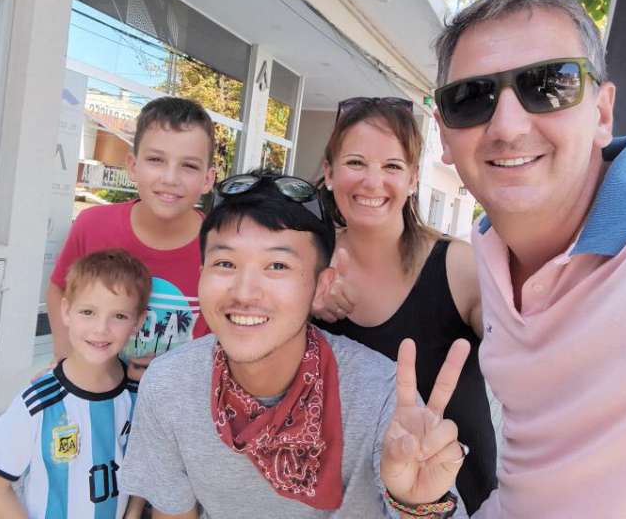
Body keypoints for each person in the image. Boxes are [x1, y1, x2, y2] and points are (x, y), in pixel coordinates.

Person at [432, 0, 626, 517]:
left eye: (549, 85)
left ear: (602, 112)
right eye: (471, 98)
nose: (506, 126)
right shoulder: (487, 249)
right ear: (444, 135)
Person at [121, 171, 471, 518]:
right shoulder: (170, 385)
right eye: (225, 263)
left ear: (321, 287)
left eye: (277, 265)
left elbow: (422, 498)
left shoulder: (379, 394)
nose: (244, 292)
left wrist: (415, 505)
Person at [313, 97, 497, 514]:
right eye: (356, 162)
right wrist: (301, 305)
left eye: (392, 166)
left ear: (413, 179)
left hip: (453, 504)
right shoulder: (305, 265)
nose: (372, 181)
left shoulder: (459, 267)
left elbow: (529, 348)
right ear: (329, 172)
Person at [0, 249, 151, 518]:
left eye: (119, 316)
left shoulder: (138, 393)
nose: (101, 328)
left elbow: (143, 461)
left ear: (138, 321)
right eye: (88, 312)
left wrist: (133, 512)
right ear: (66, 311)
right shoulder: (40, 401)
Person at [47, 96, 216, 381]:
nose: (170, 178)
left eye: (189, 165)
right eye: (156, 160)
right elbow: (59, 288)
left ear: (208, 179)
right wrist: (67, 362)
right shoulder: (93, 226)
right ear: (133, 166)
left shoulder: (219, 246)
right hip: (99, 392)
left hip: (178, 397)